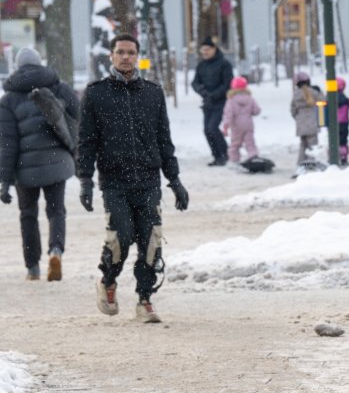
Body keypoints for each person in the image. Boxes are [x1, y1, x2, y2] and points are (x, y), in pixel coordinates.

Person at [77, 33, 188, 324]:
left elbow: (164, 139)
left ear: (137, 56)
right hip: (115, 181)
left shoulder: (152, 93)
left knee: (151, 241)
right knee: (121, 237)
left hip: (148, 179)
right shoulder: (96, 93)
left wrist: (174, 180)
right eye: (120, 52)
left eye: (131, 52)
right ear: (111, 56)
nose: (126, 56)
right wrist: (85, 180)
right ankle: (108, 281)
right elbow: (87, 142)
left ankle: (144, 299)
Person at [0, 48, 79, 281]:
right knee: (56, 211)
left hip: (25, 169)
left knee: (28, 214)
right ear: (39, 63)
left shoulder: (8, 100)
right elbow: (76, 119)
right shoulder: (58, 87)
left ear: (17, 66)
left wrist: (4, 181)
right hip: (57, 163)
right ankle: (56, 251)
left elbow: (6, 143)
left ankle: (32, 267)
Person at [191, 37, 233, 166]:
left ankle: (225, 154)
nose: (205, 52)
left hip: (221, 102)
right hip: (207, 102)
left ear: (214, 49)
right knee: (206, 130)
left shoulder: (224, 63)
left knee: (213, 128)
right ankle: (216, 156)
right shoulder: (201, 65)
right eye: (203, 50)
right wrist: (203, 92)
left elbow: (227, 83)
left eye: (208, 49)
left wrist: (214, 95)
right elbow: (195, 83)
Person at [220, 76, 261, 165]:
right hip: (248, 125)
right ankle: (253, 157)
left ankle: (234, 161)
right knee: (250, 143)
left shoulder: (231, 100)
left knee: (235, 144)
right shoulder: (250, 98)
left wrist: (226, 126)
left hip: (236, 127)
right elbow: (257, 110)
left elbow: (228, 114)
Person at [291, 72, 325, 166]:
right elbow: (324, 100)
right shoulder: (313, 92)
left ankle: (301, 164)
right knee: (313, 145)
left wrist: (298, 118)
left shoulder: (296, 94)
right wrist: (319, 91)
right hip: (312, 124)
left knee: (303, 145)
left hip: (301, 125)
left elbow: (292, 110)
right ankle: (312, 163)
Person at [90, 0, 116, 81]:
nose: (111, 13)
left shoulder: (98, 22)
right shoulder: (103, 23)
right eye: (109, 10)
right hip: (104, 55)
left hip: (101, 55)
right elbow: (107, 40)